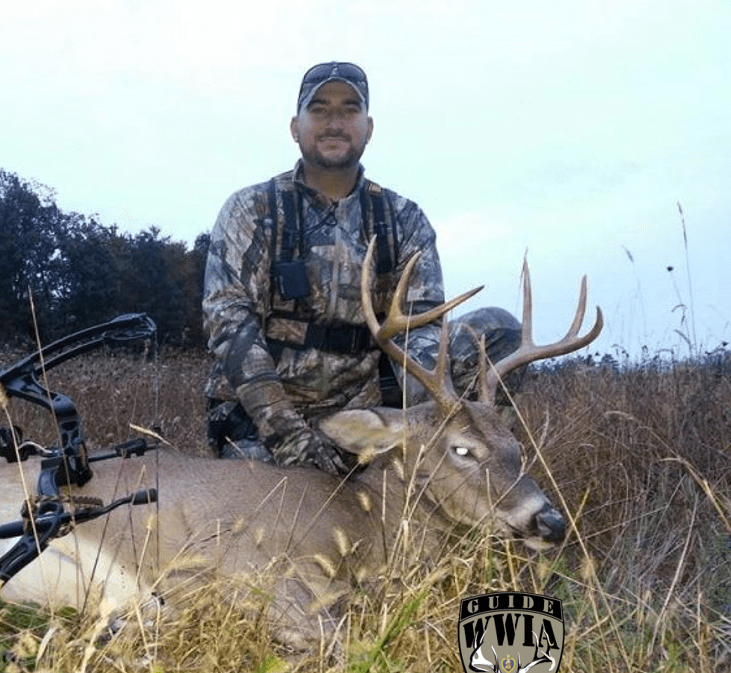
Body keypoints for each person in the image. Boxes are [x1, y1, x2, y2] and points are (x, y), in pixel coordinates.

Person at [202, 61, 521, 474]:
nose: (335, 122)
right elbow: (229, 324)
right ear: (295, 127)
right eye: (319, 109)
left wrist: (418, 414)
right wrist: (291, 436)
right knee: (277, 515)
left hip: (367, 408)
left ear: (368, 128)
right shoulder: (253, 209)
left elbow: (421, 330)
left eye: (349, 110)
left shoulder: (403, 219)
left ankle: (478, 458)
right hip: (265, 415)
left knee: (500, 331)